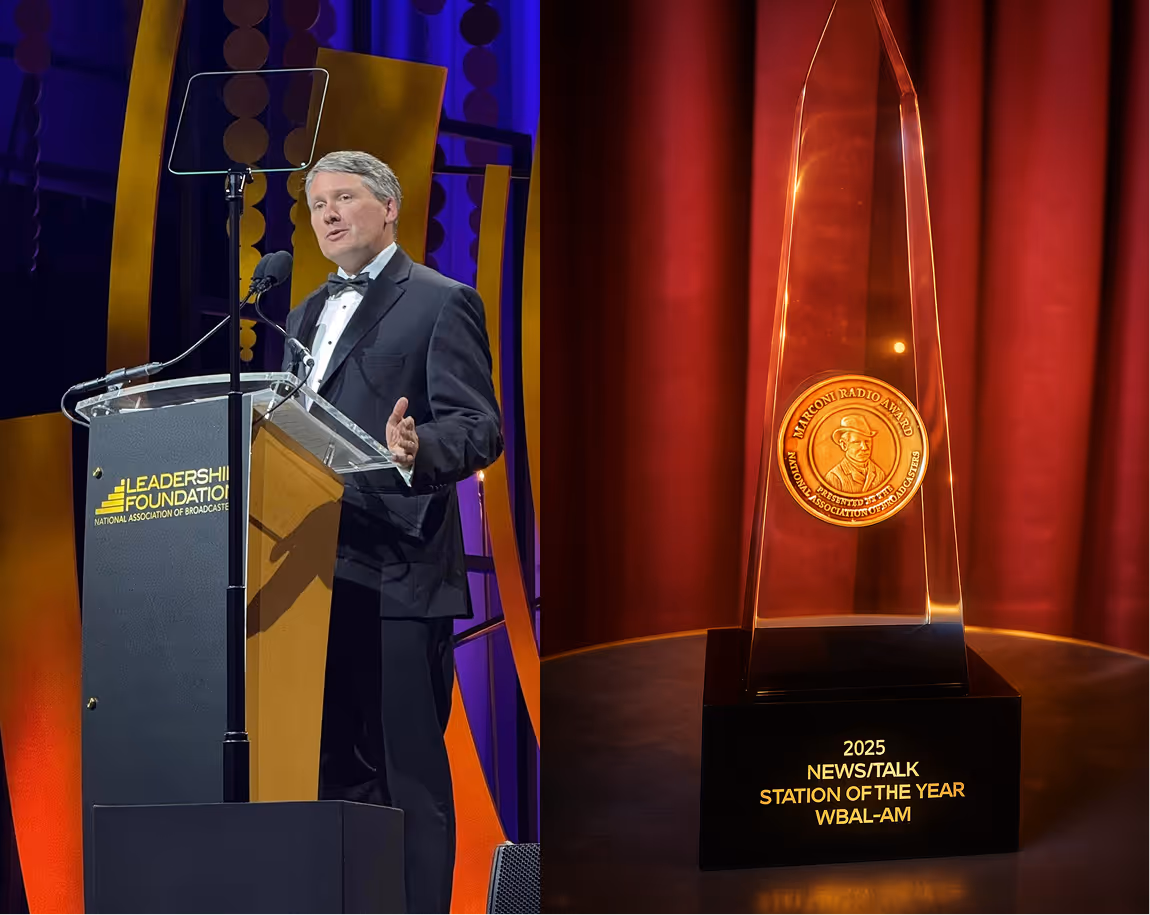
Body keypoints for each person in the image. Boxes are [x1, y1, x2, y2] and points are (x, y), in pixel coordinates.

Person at [283, 150, 502, 915]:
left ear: (388, 208)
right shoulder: (303, 311)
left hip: (402, 572)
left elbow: (478, 427)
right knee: (329, 768)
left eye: (344, 197)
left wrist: (418, 451)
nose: (328, 214)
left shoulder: (442, 301)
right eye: (316, 205)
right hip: (312, 573)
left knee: (406, 774)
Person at [825, 414, 887, 494]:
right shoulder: (835, 476)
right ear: (844, 445)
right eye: (857, 442)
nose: (864, 447)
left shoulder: (879, 473)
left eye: (867, 441)